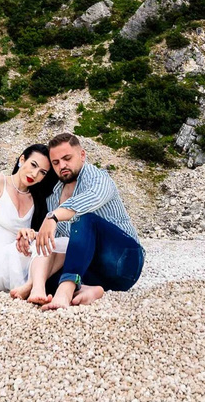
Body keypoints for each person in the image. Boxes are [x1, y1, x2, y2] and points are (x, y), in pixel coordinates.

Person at [31, 132, 143, 309]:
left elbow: (91, 199)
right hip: (93, 270)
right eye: (56, 162)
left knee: (85, 219)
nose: (63, 165)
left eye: (67, 158)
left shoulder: (98, 178)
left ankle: (66, 290)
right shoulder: (53, 197)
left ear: (82, 155)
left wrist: (52, 217)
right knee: (48, 277)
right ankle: (93, 290)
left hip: (125, 260)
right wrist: (33, 236)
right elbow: (60, 241)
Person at [0, 144, 63, 299]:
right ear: (22, 159)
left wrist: (31, 234)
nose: (34, 174)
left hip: (17, 260)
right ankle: (34, 286)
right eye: (33, 165)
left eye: (42, 172)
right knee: (49, 249)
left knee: (64, 244)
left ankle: (30, 286)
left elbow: (37, 236)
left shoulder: (37, 199)